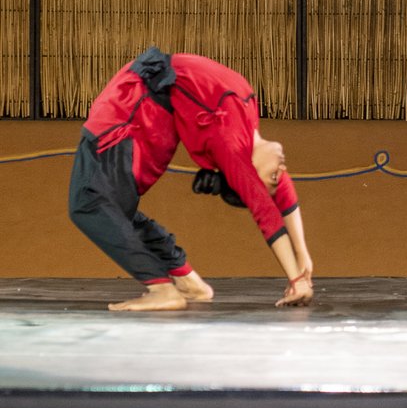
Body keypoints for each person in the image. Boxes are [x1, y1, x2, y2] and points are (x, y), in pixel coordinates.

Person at [68, 47, 315, 311]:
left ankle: (162, 288)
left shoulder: (232, 146)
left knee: (88, 203)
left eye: (273, 177)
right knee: (113, 211)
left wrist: (299, 273)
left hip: (134, 113)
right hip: (149, 115)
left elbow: (266, 211)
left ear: (248, 175)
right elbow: (278, 196)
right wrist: (302, 261)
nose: (283, 170)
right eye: (277, 176)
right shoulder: (246, 125)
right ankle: (186, 279)